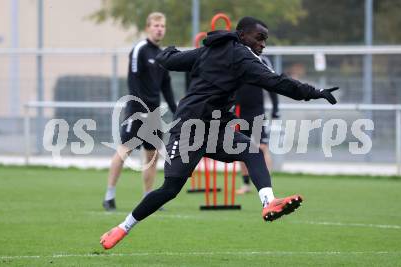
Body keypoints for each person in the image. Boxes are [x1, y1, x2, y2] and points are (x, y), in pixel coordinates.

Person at [100, 16, 338, 249]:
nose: (263, 44)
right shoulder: (242, 57)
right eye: (259, 38)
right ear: (243, 35)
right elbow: (278, 83)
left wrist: (168, 52)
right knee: (170, 190)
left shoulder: (210, 51)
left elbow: (170, 60)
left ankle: (268, 202)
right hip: (189, 129)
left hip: (215, 129)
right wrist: (314, 91)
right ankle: (123, 227)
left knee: (251, 151)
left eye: (265, 40)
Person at [102, 12, 177, 211]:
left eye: (162, 25)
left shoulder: (162, 55)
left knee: (152, 157)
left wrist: (177, 111)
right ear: (148, 28)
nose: (159, 28)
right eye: (156, 25)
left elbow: (166, 86)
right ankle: (109, 196)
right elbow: (133, 80)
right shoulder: (139, 50)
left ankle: (147, 199)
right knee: (124, 151)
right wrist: (138, 108)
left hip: (153, 114)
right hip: (137, 111)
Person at [235, 55, 279, 194]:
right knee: (242, 148)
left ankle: (266, 185)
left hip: (256, 111)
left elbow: (272, 84)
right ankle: (246, 184)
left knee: (261, 147)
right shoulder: (234, 57)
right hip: (238, 112)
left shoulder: (262, 60)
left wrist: (275, 108)